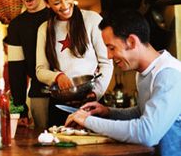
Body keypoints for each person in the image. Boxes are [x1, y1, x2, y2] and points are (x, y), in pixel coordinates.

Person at [65, 9, 181, 156]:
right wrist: (107, 112)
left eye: (111, 48)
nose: (108, 55)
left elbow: (147, 133)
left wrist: (87, 121)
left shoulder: (169, 74)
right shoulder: (144, 73)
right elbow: (141, 112)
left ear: (132, 41)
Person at [36, 0, 113, 126]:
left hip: (91, 100)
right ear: (47, 3)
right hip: (60, 105)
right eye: (57, 2)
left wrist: (95, 94)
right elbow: (40, 70)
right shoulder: (44, 29)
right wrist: (57, 77)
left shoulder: (92, 19)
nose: (64, 6)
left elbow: (106, 63)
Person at [7, 0, 50, 128]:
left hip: (67, 94)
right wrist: (19, 110)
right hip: (38, 95)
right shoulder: (16, 26)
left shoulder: (56, 16)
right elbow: (16, 71)